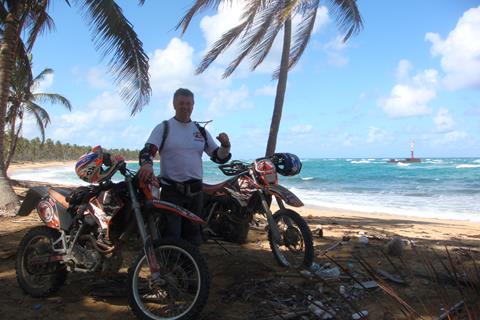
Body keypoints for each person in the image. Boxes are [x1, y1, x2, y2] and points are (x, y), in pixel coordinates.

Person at [138, 88, 231, 245]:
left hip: (196, 194)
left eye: (188, 103)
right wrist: (147, 165)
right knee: (172, 236)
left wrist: (226, 145)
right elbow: (148, 150)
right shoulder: (164, 127)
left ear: (193, 105)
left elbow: (217, 157)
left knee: (193, 237)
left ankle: (191, 269)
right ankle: (171, 268)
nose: (185, 107)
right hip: (172, 192)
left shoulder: (200, 131)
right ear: (174, 104)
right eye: (181, 103)